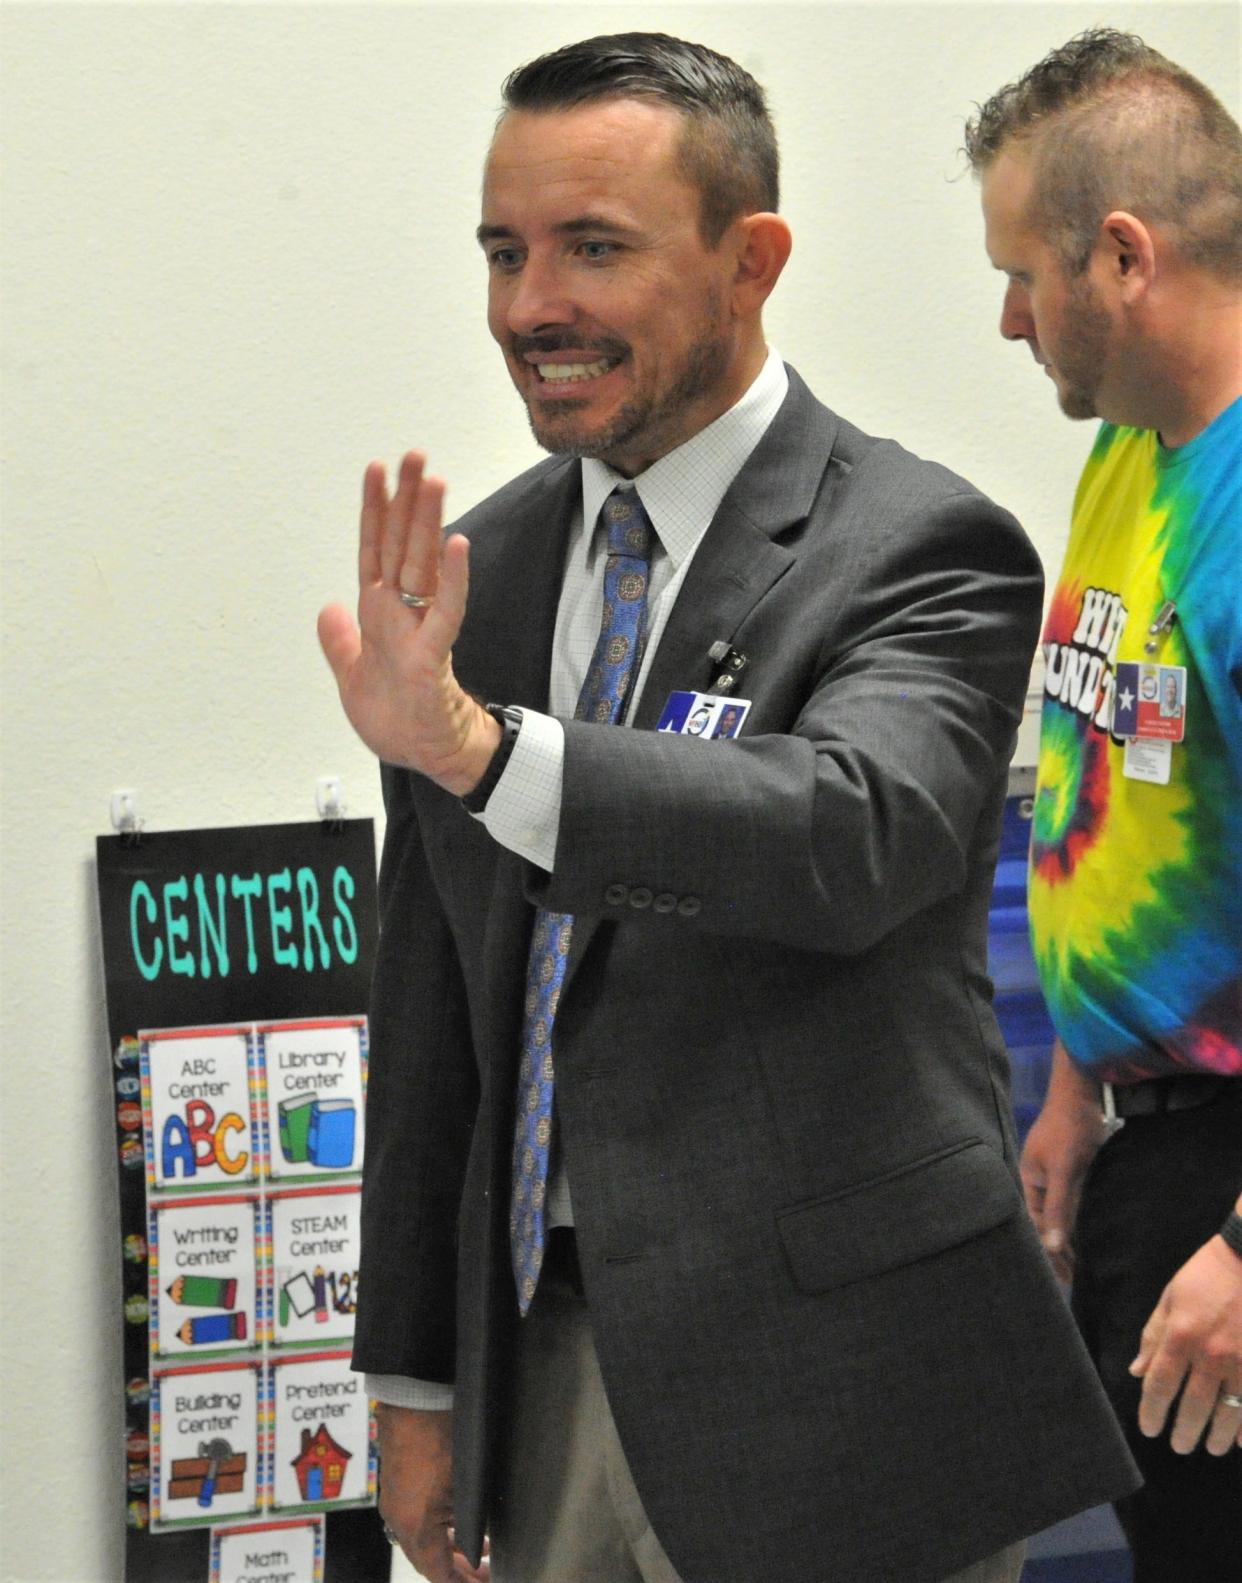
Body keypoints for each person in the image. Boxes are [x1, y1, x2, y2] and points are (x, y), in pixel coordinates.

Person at [319, 32, 1138, 1583]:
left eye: (592, 249)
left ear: (750, 258)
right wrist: (415, 1378)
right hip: (546, 1374)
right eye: (503, 252)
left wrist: (492, 756)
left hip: (843, 1397)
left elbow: (849, 835)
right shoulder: (474, 583)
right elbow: (431, 1012)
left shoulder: (920, 544)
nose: (527, 306)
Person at [967, 27, 1242, 1582]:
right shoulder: (1131, 453)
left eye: (1022, 273)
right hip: (1149, 1148)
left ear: (1120, 257)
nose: (1008, 318)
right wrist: (1074, 1089)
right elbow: (1104, 772)